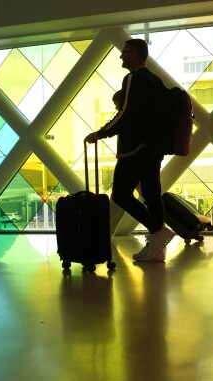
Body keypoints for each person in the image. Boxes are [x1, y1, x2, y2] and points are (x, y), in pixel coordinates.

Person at [85, 38, 174, 262]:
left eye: (125, 53)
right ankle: (156, 250)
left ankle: (157, 231)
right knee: (153, 197)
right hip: (154, 150)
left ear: (134, 54)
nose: (121, 56)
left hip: (134, 150)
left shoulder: (133, 78)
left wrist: (100, 133)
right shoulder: (156, 81)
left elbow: (125, 113)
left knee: (122, 194)